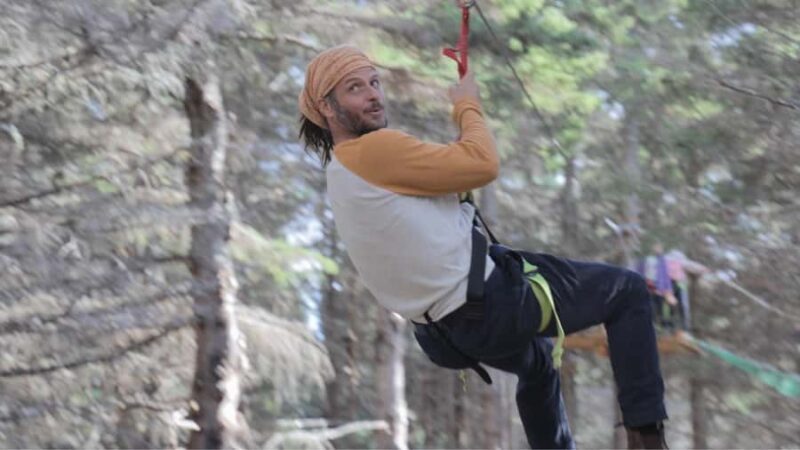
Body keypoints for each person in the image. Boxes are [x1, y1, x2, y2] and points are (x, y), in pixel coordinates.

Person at [298, 45, 668, 449]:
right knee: (628, 291)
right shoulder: (372, 150)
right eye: (355, 88)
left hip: (446, 336)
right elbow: (483, 164)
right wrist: (467, 105)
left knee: (539, 364)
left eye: (374, 83)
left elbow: (443, 187)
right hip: (491, 305)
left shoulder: (342, 172)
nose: (373, 94)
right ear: (327, 107)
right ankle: (647, 438)